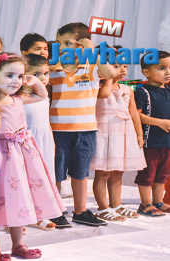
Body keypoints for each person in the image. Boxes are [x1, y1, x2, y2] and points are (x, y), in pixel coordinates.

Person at [0, 53, 65, 261]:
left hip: (22, 155)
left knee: (19, 198)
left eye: (19, 76)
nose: (15, 81)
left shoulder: (18, 99)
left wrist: (33, 80)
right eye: (9, 75)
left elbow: (42, 95)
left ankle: (19, 244)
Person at [49, 22, 117, 226]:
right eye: (59, 42)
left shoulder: (92, 66)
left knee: (80, 173)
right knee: (57, 173)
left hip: (85, 129)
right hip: (57, 129)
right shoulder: (53, 68)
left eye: (67, 42)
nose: (61, 47)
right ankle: (55, 210)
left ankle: (80, 210)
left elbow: (111, 74)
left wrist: (92, 52)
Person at [91, 54, 146, 221]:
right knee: (103, 172)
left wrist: (139, 133)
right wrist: (107, 78)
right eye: (115, 66)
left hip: (124, 132)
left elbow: (134, 113)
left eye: (124, 66)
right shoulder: (98, 87)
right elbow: (103, 97)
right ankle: (102, 207)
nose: (121, 69)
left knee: (117, 172)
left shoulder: (127, 89)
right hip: (106, 133)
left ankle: (116, 204)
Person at [22, 54, 59, 230]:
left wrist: (51, 143)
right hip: (28, 142)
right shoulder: (19, 97)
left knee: (43, 178)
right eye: (36, 74)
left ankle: (40, 213)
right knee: (27, 178)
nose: (43, 78)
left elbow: (46, 123)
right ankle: (20, 215)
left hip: (44, 141)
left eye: (46, 73)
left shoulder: (44, 96)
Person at [134, 51, 170, 216]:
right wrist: (160, 123)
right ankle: (145, 203)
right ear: (146, 72)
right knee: (148, 173)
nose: (168, 72)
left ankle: (158, 201)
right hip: (150, 142)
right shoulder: (142, 92)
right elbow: (137, 115)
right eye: (162, 68)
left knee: (163, 174)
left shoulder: (168, 92)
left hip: (167, 142)